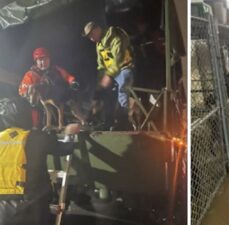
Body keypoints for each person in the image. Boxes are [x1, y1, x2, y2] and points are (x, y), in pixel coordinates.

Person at [0, 97, 80, 225]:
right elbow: (65, 148)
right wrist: (69, 133)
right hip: (32, 203)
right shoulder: (34, 137)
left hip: (3, 208)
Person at [82, 21, 134, 130]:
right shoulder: (99, 45)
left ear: (98, 29)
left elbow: (118, 58)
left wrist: (109, 75)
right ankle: (107, 122)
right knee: (105, 94)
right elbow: (101, 65)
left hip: (124, 68)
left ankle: (123, 121)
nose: (91, 38)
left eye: (92, 34)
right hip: (112, 74)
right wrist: (101, 82)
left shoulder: (114, 36)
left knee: (122, 89)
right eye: (89, 37)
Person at [18, 47, 85, 129]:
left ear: (49, 59)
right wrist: (28, 94)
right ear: (36, 62)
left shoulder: (55, 69)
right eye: (40, 60)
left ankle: (83, 122)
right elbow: (23, 90)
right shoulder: (31, 74)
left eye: (45, 59)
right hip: (40, 105)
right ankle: (37, 126)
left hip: (59, 98)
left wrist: (72, 81)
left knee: (72, 105)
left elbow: (66, 76)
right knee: (36, 107)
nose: (43, 62)